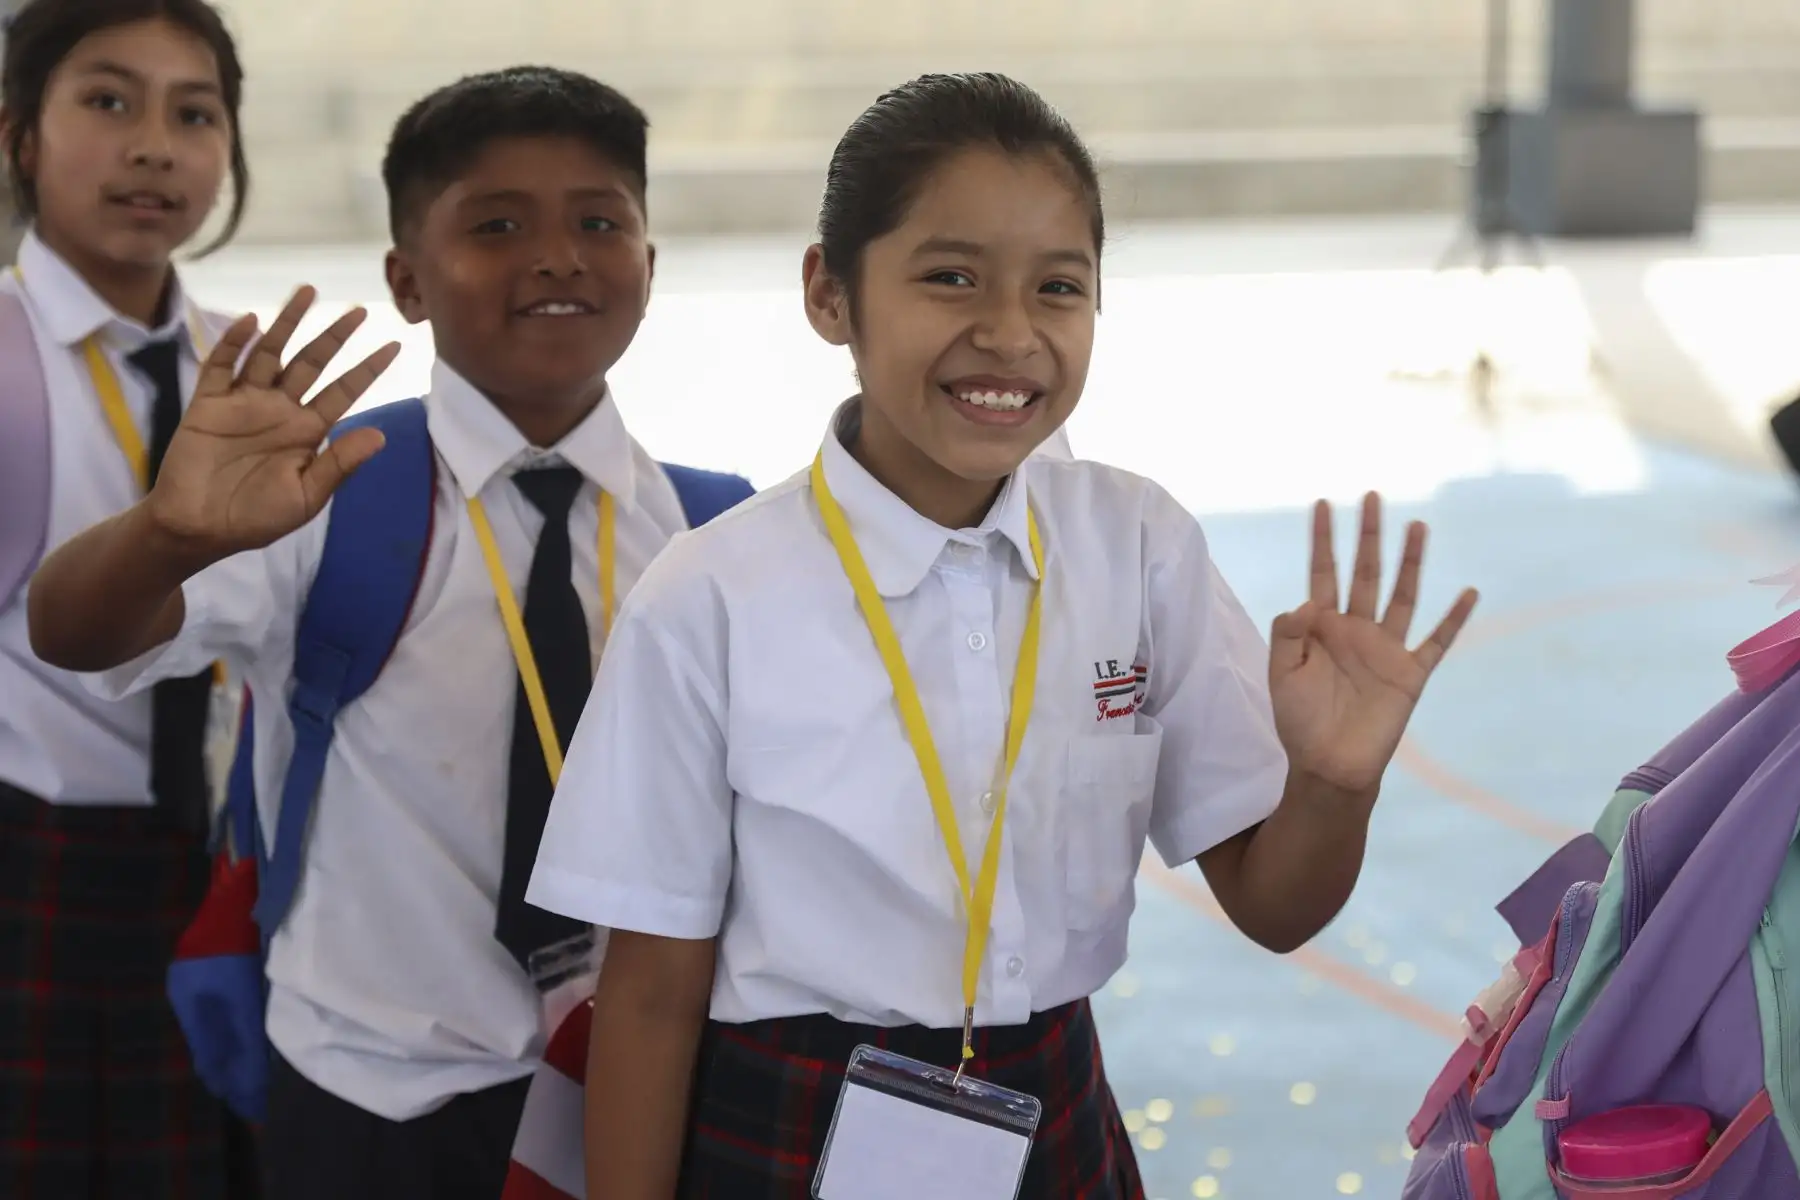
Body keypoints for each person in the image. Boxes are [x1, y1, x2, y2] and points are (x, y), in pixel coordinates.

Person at [521, 72, 1481, 1199]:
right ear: (831, 295)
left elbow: (1275, 907)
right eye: (950, 278)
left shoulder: (1138, 545)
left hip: (1045, 1100)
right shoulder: (711, 596)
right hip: (786, 1118)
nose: (1010, 333)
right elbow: (647, 997)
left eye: (1059, 288)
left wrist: (1331, 784)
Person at [27, 65, 749, 1199]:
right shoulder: (326, 495)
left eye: (600, 221)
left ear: (649, 266)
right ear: (408, 280)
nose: (557, 254)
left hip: (633, 1084)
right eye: (497, 224)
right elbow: (73, 631)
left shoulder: (712, 530)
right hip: (374, 1095)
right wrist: (168, 532)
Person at [0, 1, 257, 1195]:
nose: (155, 145)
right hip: (39, 863)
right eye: (108, 101)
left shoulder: (238, 371)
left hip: (216, 864)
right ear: (20, 138)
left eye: (194, 113)